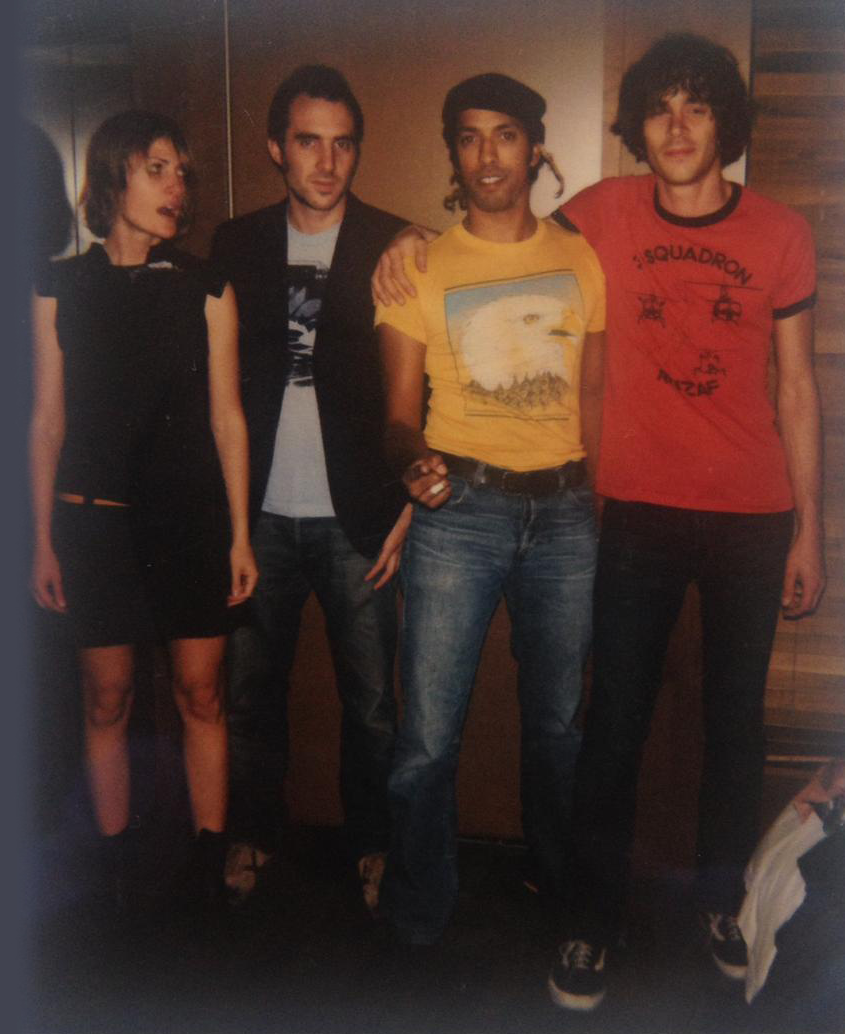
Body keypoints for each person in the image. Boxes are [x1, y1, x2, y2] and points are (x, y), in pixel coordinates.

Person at [373, 33, 824, 1008]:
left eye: (696, 106)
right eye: (659, 108)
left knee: (732, 724)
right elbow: (493, 209)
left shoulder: (781, 232)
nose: (676, 127)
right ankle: (586, 921)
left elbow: (796, 387)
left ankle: (722, 905)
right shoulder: (601, 215)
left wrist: (810, 529)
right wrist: (407, 235)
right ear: (634, 128)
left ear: (725, 122)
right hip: (630, 511)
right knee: (605, 725)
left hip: (747, 511)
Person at [374, 73, 606, 947]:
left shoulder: (581, 260)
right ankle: (416, 911)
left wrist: (602, 508)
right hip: (459, 514)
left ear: (535, 147)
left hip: (567, 514)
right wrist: (412, 464)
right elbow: (398, 417)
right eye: (469, 137)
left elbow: (596, 400)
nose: (488, 155)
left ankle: (558, 883)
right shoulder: (417, 266)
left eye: (505, 134)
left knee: (559, 727)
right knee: (427, 736)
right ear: (453, 153)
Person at [30, 110, 257, 908]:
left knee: (201, 694)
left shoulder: (206, 288)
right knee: (107, 697)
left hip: (189, 523)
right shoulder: (58, 289)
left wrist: (239, 535)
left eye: (181, 173)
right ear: (112, 175)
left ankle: (208, 859)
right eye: (156, 168)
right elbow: (47, 423)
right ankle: (116, 860)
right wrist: (41, 540)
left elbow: (229, 419)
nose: (176, 187)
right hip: (94, 524)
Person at [209, 65, 410, 912]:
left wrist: (407, 507)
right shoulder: (236, 245)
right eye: (308, 142)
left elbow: (426, 387)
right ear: (275, 148)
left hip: (358, 517)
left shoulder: (397, 242)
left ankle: (374, 846)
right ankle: (254, 832)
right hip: (259, 515)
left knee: (372, 706)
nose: (327, 163)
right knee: (251, 694)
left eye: (343, 144)